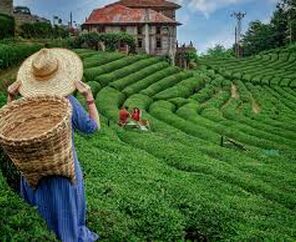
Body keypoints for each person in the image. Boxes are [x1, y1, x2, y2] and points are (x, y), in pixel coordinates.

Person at [7, 48, 100, 242]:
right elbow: (92, 128)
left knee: (40, 223)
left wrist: (11, 98)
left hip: (33, 174)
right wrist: (89, 97)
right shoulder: (67, 101)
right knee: (66, 220)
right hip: (62, 170)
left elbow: (10, 125)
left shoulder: (27, 102)